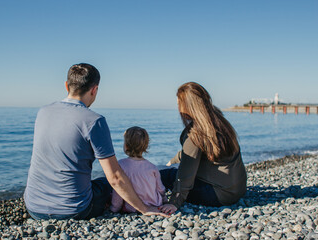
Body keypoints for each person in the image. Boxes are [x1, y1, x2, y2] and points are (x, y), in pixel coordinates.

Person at [24, 63, 167, 220]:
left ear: (66, 85)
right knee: (107, 184)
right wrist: (144, 209)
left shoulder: (43, 112)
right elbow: (115, 177)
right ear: (94, 90)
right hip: (74, 210)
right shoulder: (94, 121)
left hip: (33, 207)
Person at [159, 82, 247, 215]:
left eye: (179, 104)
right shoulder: (219, 122)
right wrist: (173, 160)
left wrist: (174, 202)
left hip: (218, 195)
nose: (178, 109)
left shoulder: (195, 134)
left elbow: (185, 176)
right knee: (170, 168)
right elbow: (189, 154)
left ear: (188, 106)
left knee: (164, 175)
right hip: (238, 189)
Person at [110, 127, 167, 213]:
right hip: (155, 204)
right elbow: (161, 189)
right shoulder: (152, 167)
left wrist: (114, 208)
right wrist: (165, 201)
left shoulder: (121, 165)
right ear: (146, 146)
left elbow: (119, 190)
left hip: (133, 207)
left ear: (126, 146)